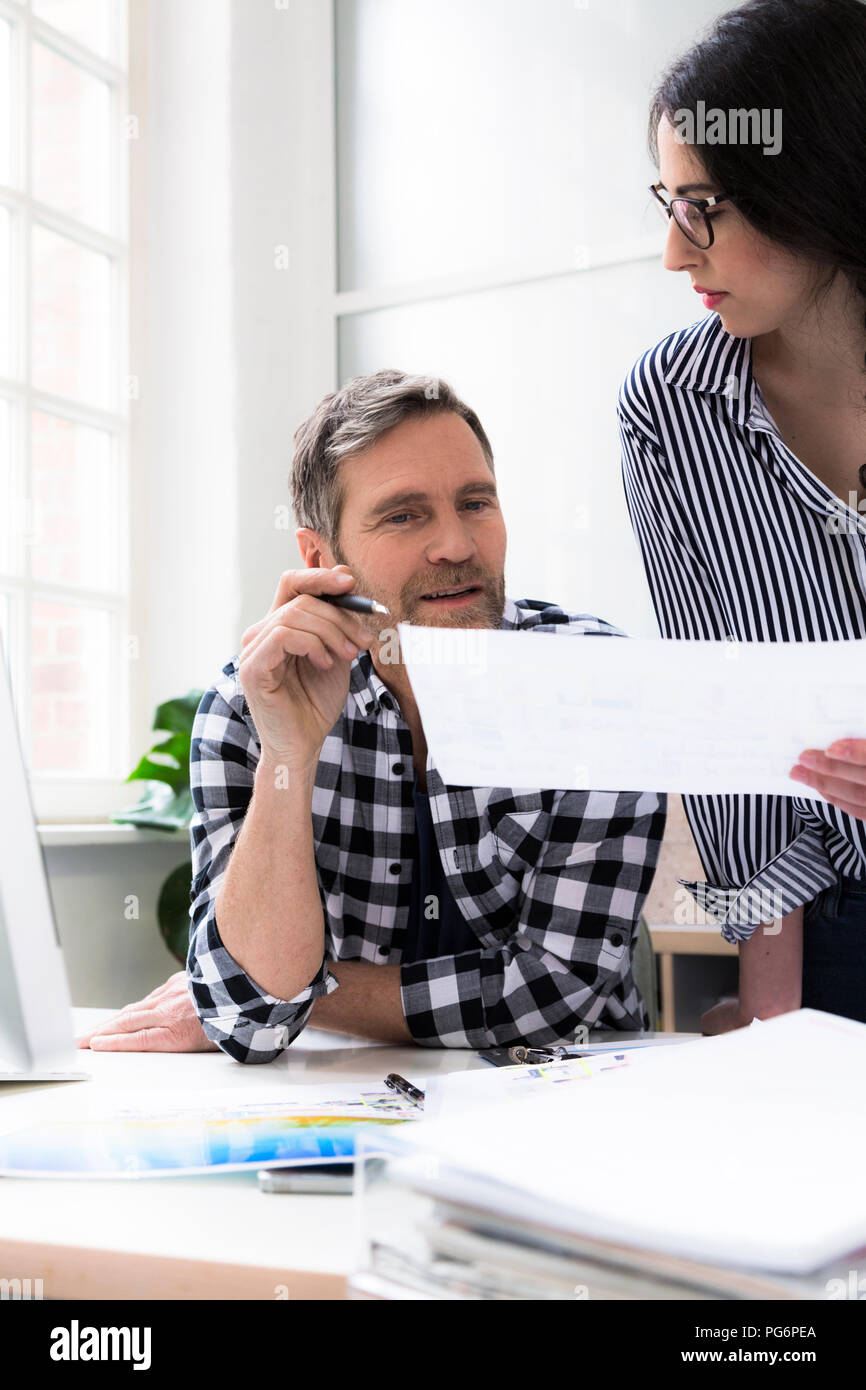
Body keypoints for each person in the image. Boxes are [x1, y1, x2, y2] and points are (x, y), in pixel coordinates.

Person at [79, 370, 665, 1058]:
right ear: (321, 557)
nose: (456, 544)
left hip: (579, 1097)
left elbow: (548, 1001)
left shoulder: (597, 685)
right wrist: (288, 756)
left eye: (475, 502)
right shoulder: (247, 707)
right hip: (343, 1099)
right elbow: (249, 1020)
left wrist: (310, 995)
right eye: (404, 515)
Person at [619, 0, 866, 1030]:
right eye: (666, 204)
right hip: (840, 925)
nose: (676, 256)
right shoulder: (669, 413)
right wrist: (776, 1029)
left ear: (812, 181)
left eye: (704, 206)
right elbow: (730, 740)